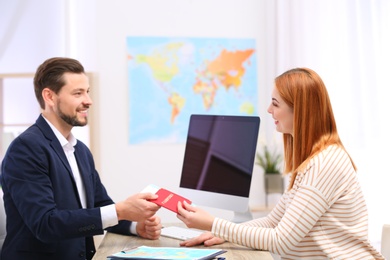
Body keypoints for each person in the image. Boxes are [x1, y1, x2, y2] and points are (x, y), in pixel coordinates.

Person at [177, 68, 384, 259]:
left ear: (300, 111)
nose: (268, 109)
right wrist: (221, 233)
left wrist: (214, 223)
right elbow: (271, 222)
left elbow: (282, 241)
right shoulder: (311, 161)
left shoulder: (324, 163)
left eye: (275, 104)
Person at [0, 57, 162, 260]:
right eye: (78, 93)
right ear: (50, 96)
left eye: (87, 92)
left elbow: (100, 206)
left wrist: (134, 226)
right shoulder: (26, 149)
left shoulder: (80, 150)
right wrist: (121, 211)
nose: (88, 100)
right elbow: (45, 224)